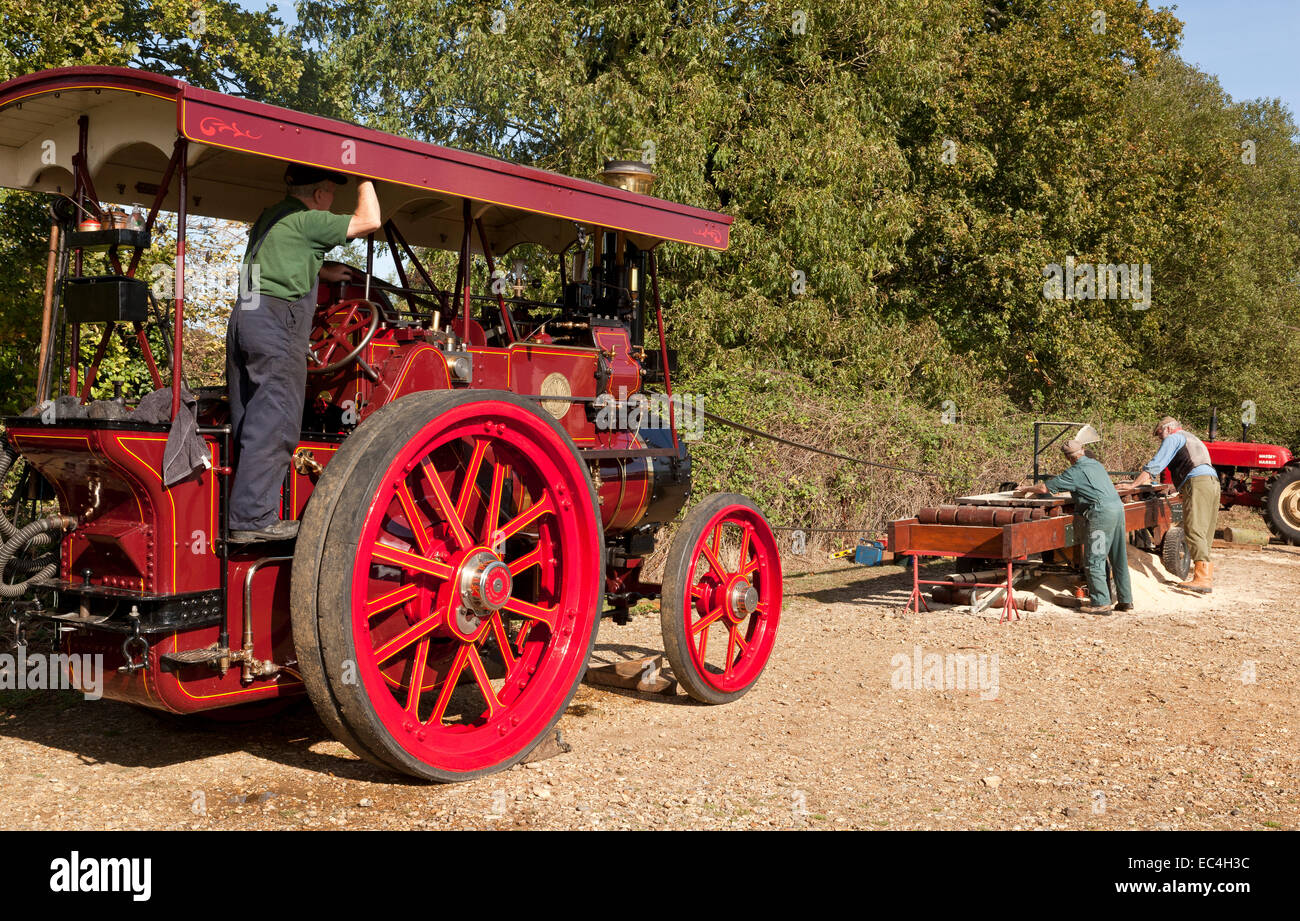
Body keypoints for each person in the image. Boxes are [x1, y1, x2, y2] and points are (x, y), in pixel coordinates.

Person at [225, 165, 381, 543]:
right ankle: (252, 518)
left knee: (249, 417)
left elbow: (278, 263)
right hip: (278, 319)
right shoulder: (309, 219)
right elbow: (369, 220)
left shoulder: (273, 216)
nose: (332, 202)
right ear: (320, 194)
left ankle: (242, 509)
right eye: (331, 193)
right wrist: (367, 173)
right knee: (277, 417)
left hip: (246, 315)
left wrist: (322, 271)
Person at [1017, 439, 1133, 614]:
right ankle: (1125, 600)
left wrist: (1025, 489)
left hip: (1101, 514)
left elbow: (1043, 488)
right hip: (1117, 510)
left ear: (1068, 458)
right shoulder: (1095, 464)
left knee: (1095, 559)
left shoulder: (1074, 472)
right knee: (1118, 557)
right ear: (1083, 451)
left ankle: (1101, 603)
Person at [1132, 416, 1218, 593]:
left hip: (1198, 482)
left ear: (1168, 429)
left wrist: (1133, 485)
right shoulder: (1191, 438)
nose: (1160, 438)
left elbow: (1155, 466)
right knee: (1205, 530)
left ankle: (1203, 579)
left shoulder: (1173, 438)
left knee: (1194, 529)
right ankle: (1204, 575)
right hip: (1212, 482)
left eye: (1159, 434)